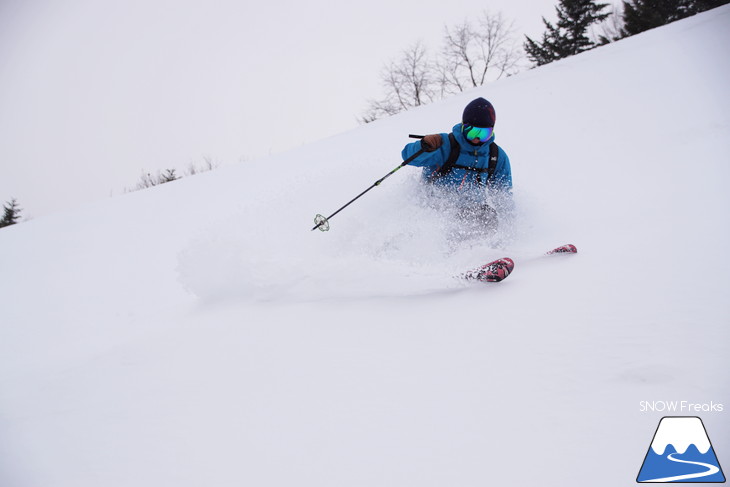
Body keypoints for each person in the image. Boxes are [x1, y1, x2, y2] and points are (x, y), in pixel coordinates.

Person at [401, 97, 512, 234]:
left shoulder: (496, 156)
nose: (477, 139)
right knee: (444, 226)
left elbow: (504, 196)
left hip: (469, 214)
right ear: (463, 126)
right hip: (433, 209)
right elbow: (407, 157)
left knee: (488, 215)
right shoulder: (445, 144)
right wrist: (424, 145)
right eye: (472, 132)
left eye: (484, 134)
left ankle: (486, 251)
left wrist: (510, 228)